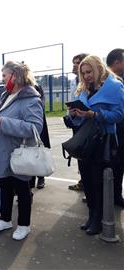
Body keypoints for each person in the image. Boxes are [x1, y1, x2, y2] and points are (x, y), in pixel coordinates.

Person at [69, 55, 124, 235]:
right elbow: (79, 117)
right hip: (85, 141)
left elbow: (119, 115)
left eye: (89, 71)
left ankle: (99, 220)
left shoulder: (115, 87)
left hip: (103, 141)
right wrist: (74, 114)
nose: (86, 76)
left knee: (98, 181)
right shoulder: (83, 88)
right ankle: (92, 215)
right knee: (87, 181)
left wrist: (93, 115)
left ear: (98, 68)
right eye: (83, 73)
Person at [0, 61, 43, 240]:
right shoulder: (7, 95)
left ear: (16, 76)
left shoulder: (31, 99)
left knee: (22, 190)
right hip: (4, 154)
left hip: (19, 155)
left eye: (5, 75)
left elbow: (35, 127)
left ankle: (24, 225)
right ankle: (5, 219)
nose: (2, 79)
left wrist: (5, 123)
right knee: (4, 185)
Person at [67, 53, 89, 192]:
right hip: (76, 121)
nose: (75, 65)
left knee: (88, 156)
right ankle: (83, 182)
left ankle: (91, 187)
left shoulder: (90, 82)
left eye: (78, 62)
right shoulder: (73, 81)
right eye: (74, 62)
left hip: (88, 123)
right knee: (79, 154)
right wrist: (69, 116)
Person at [106, 48, 124, 207]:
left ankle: (115, 195)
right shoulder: (109, 81)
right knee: (113, 165)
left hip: (118, 129)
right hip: (112, 131)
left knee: (118, 166)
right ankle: (111, 197)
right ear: (117, 62)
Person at [29, 84, 51, 189]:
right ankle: (30, 182)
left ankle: (41, 177)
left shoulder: (36, 87)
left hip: (38, 126)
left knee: (39, 152)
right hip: (28, 129)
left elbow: (41, 102)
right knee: (29, 155)